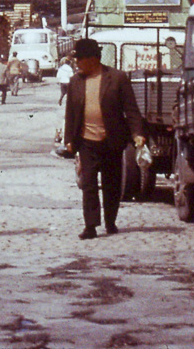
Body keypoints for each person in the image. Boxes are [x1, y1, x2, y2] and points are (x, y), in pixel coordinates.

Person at [63, 38, 146, 240]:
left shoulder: (117, 78)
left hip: (111, 140)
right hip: (86, 141)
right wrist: (69, 139)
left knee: (112, 184)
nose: (77, 63)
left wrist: (138, 134)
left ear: (92, 59)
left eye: (80, 59)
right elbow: (71, 113)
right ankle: (90, 226)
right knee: (88, 184)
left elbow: (131, 109)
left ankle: (110, 221)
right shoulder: (75, 82)